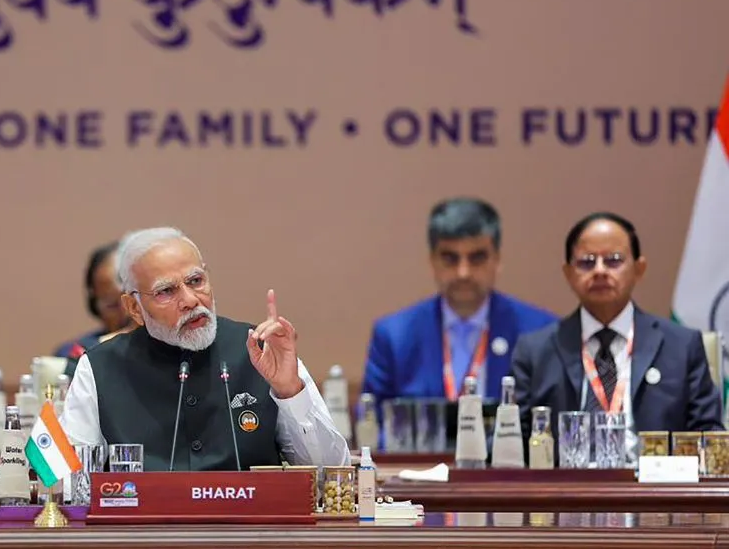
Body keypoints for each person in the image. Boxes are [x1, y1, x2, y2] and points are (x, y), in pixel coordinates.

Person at [60, 227, 350, 471]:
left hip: (251, 523)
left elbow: (331, 472)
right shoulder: (100, 367)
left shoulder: (263, 350)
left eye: (196, 281)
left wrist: (290, 391)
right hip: (148, 524)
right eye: (166, 291)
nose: (190, 300)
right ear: (134, 308)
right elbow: (65, 479)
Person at [512, 212, 724, 450]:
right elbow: (515, 441)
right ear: (568, 274)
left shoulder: (681, 346)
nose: (599, 271)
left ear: (639, 269)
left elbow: (708, 435)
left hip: (652, 472)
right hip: (568, 473)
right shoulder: (536, 351)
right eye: (587, 262)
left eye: (613, 260)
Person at [362, 198, 558, 406]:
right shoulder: (394, 337)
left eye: (477, 258)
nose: (463, 273)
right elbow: (372, 418)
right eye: (450, 258)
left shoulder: (541, 333)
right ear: (432, 261)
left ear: (497, 260)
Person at [52, 241, 135, 361]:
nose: (128, 314)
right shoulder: (76, 354)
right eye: (112, 305)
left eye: (135, 302)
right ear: (95, 306)